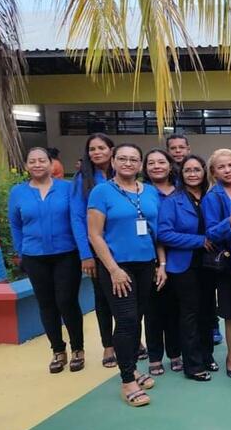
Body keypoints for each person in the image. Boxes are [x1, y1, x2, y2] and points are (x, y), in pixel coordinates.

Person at [87, 143, 161, 407]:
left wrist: (159, 264)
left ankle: (132, 367)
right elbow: (94, 234)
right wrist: (114, 269)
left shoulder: (150, 192)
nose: (128, 163)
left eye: (133, 159)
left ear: (140, 164)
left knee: (137, 318)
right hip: (118, 267)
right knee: (127, 320)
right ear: (114, 162)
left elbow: (156, 232)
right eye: (122, 159)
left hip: (146, 265)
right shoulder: (101, 192)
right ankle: (127, 378)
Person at [9, 148, 84, 373]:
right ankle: (58, 350)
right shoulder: (18, 192)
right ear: (26, 166)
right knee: (46, 304)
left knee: (66, 301)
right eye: (32, 161)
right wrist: (21, 251)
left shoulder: (67, 188)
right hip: (34, 256)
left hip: (66, 254)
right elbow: (15, 224)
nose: (38, 164)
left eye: (42, 160)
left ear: (52, 165)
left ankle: (77, 349)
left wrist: (84, 253)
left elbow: (77, 220)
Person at [159, 155, 218, 382]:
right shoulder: (173, 200)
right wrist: (199, 241)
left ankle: (207, 356)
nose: (192, 174)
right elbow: (164, 233)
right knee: (190, 314)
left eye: (197, 169)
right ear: (181, 174)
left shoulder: (212, 197)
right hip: (185, 266)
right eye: (187, 170)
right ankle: (193, 365)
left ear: (204, 172)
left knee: (208, 312)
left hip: (210, 264)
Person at [70, 133, 117, 368]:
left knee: (129, 296)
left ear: (111, 150)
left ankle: (130, 340)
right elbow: (78, 219)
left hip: (123, 247)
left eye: (101, 148)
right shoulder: (83, 179)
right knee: (103, 297)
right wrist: (85, 254)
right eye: (92, 149)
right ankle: (108, 344)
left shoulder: (123, 174)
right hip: (96, 249)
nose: (96, 152)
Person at [203, 149, 231, 378]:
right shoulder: (213, 197)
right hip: (229, 262)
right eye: (221, 167)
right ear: (213, 172)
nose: (227, 170)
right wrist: (228, 223)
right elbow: (211, 232)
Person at [141, 149, 182, 375]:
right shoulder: (142, 192)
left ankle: (175, 353)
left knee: (174, 309)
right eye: (151, 162)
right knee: (153, 310)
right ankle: (155, 356)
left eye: (161, 162)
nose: (157, 166)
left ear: (170, 165)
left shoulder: (180, 191)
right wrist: (160, 263)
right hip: (151, 258)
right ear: (145, 167)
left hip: (179, 258)